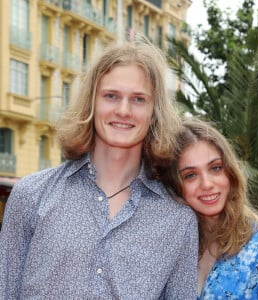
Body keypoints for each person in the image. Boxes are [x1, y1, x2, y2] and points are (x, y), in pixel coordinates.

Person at [0, 39, 199, 299]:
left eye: (139, 99)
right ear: (91, 103)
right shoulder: (31, 195)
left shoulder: (178, 221)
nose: (123, 110)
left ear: (154, 112)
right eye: (111, 96)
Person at [161, 117, 258, 299]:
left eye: (215, 168)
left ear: (230, 173)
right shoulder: (171, 249)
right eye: (190, 175)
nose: (207, 184)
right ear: (175, 185)